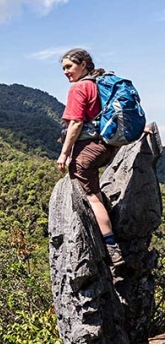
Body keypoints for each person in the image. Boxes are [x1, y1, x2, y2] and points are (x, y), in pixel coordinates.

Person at [57, 48, 124, 269]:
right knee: (94, 192)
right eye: (63, 68)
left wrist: (64, 154)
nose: (66, 72)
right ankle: (111, 226)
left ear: (84, 64)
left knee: (91, 197)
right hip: (107, 146)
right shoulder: (98, 84)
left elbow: (75, 123)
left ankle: (112, 248)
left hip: (87, 151)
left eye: (69, 66)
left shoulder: (79, 88)